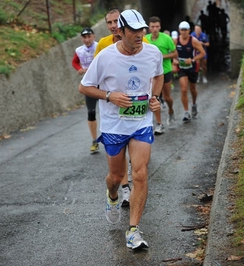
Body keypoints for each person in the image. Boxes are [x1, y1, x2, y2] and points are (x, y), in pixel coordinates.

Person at [79, 9, 163, 249]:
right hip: (114, 125)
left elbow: (159, 76)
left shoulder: (153, 52)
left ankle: (133, 230)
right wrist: (109, 96)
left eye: (142, 30)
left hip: (141, 122)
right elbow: (84, 87)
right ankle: (113, 196)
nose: (140, 34)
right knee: (116, 177)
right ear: (121, 31)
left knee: (140, 174)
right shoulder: (105, 57)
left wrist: (155, 98)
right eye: (134, 31)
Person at [94, 7, 135, 207]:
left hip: (134, 103)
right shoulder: (102, 44)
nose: (113, 26)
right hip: (112, 106)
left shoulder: (138, 39)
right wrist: (109, 94)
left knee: (133, 146)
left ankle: (128, 187)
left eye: (116, 21)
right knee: (119, 153)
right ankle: (124, 189)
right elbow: (94, 75)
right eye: (109, 23)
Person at [146, 16, 178, 131]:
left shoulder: (166, 38)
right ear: (149, 28)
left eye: (157, 26)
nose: (155, 29)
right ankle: (159, 124)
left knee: (167, 97)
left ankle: (170, 110)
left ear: (160, 27)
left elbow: (175, 54)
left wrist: (162, 56)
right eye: (152, 27)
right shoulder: (146, 39)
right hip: (151, 74)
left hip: (165, 71)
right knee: (155, 98)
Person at [71, 28, 99, 154]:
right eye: (84, 37)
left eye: (89, 37)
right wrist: (79, 69)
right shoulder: (79, 50)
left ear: (93, 36)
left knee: (111, 110)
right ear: (82, 39)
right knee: (91, 112)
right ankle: (94, 140)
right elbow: (74, 62)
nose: (87, 40)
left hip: (103, 83)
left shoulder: (100, 46)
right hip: (89, 85)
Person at [173, 21, 205, 122]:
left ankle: (194, 104)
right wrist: (174, 60)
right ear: (179, 30)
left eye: (185, 30)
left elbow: (202, 53)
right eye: (182, 30)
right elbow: (172, 53)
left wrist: (192, 60)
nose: (184, 32)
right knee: (183, 89)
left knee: (193, 89)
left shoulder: (193, 41)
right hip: (181, 68)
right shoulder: (175, 41)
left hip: (192, 67)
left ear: (189, 31)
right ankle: (186, 112)